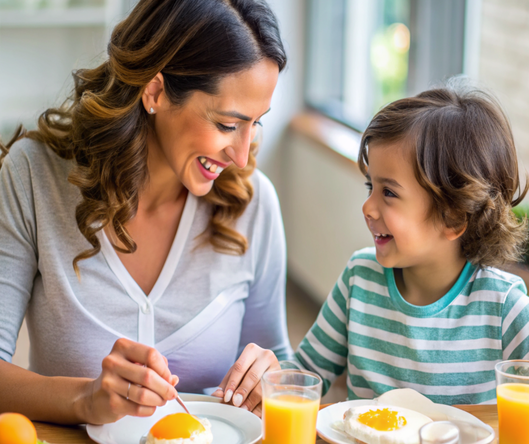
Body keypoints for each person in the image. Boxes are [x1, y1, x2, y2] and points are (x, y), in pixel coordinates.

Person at [0, 0, 292, 425]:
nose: (243, 155)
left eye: (256, 122)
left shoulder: (254, 203)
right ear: (154, 93)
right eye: (228, 125)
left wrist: (271, 377)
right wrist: (86, 398)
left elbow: (277, 358)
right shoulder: (34, 176)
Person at [215, 79, 529, 409]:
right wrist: (270, 378)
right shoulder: (360, 278)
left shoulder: (503, 308)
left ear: (452, 218)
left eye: (389, 193)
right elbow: (307, 375)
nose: (368, 207)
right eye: (371, 187)